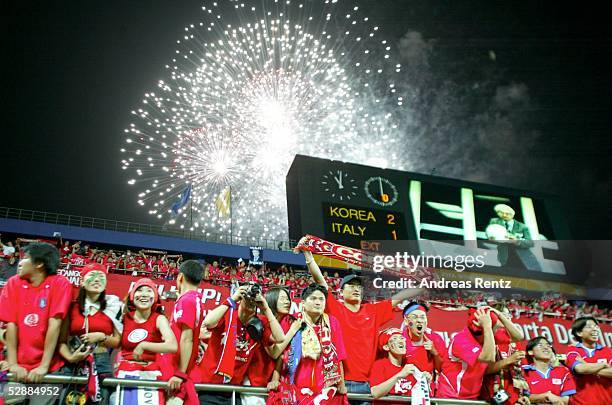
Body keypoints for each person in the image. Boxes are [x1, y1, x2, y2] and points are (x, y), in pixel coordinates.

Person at [296, 237, 420, 404]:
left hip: (367, 383)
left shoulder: (373, 311)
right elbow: (320, 281)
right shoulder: (336, 307)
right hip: (340, 381)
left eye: (359, 287)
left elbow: (399, 298)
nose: (356, 289)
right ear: (341, 292)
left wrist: (421, 282)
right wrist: (309, 256)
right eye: (351, 286)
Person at [0, 242, 72, 405]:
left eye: (25, 258)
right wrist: (13, 363)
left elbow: (55, 325)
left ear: (39, 264)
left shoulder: (60, 283)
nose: (20, 262)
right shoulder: (13, 283)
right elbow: (11, 324)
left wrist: (44, 366)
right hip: (18, 367)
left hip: (51, 369)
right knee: (11, 401)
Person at [197, 282, 285, 405]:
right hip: (209, 386)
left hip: (233, 390)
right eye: (247, 296)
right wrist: (232, 299)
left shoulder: (259, 322)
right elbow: (208, 323)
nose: (250, 301)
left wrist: (266, 308)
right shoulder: (227, 313)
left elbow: (280, 338)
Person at [58, 263, 122, 405]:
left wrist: (102, 337)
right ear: (81, 281)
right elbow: (61, 341)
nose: (97, 279)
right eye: (92, 275)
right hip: (73, 363)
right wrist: (71, 357)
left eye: (101, 276)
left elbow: (119, 341)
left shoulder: (114, 306)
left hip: (102, 363)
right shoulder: (72, 307)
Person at [113, 278, 177, 405]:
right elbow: (114, 341)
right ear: (132, 296)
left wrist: (144, 345)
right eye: (139, 290)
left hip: (150, 374)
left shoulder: (159, 319)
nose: (144, 294)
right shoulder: (124, 318)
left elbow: (172, 345)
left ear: (155, 297)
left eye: (149, 291)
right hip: (125, 373)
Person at [288, 284, 347, 404]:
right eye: (313, 298)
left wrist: (342, 383)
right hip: (298, 386)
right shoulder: (293, 321)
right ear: (303, 303)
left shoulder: (332, 322)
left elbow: (338, 355)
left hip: (325, 389)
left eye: (321, 299)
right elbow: (283, 353)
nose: (318, 302)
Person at [166, 260, 206, 405]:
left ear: (180, 277)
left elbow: (187, 339)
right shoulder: (191, 299)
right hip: (178, 370)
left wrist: (180, 373)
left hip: (180, 374)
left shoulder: (188, 301)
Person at [437, 307, 498, 399]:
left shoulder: (487, 338)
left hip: (471, 398)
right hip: (451, 397)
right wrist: (488, 327)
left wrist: (499, 314)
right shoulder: (461, 339)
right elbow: (489, 358)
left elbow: (519, 337)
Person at [370, 328, 432, 404]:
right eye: (395, 339)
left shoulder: (412, 364)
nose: (400, 341)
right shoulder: (379, 365)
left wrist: (425, 381)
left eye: (402, 338)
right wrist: (399, 376)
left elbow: (421, 397)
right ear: (386, 347)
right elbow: (375, 393)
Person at [564, 316, 612, 405]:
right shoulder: (572, 350)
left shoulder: (609, 351)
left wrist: (587, 365)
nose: (595, 329)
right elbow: (580, 369)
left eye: (596, 327)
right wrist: (604, 365)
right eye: (590, 327)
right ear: (579, 332)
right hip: (581, 402)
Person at [522, 336, 576, 404]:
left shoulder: (563, 371)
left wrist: (555, 399)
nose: (546, 348)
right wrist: (545, 396)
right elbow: (523, 397)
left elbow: (567, 399)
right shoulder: (524, 371)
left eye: (548, 345)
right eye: (540, 345)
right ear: (530, 352)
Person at [401, 302, 446, 377]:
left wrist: (434, 352)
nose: (419, 320)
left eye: (422, 317)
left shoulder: (435, 338)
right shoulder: (400, 340)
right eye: (415, 317)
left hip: (427, 385)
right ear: (406, 321)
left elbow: (442, 369)